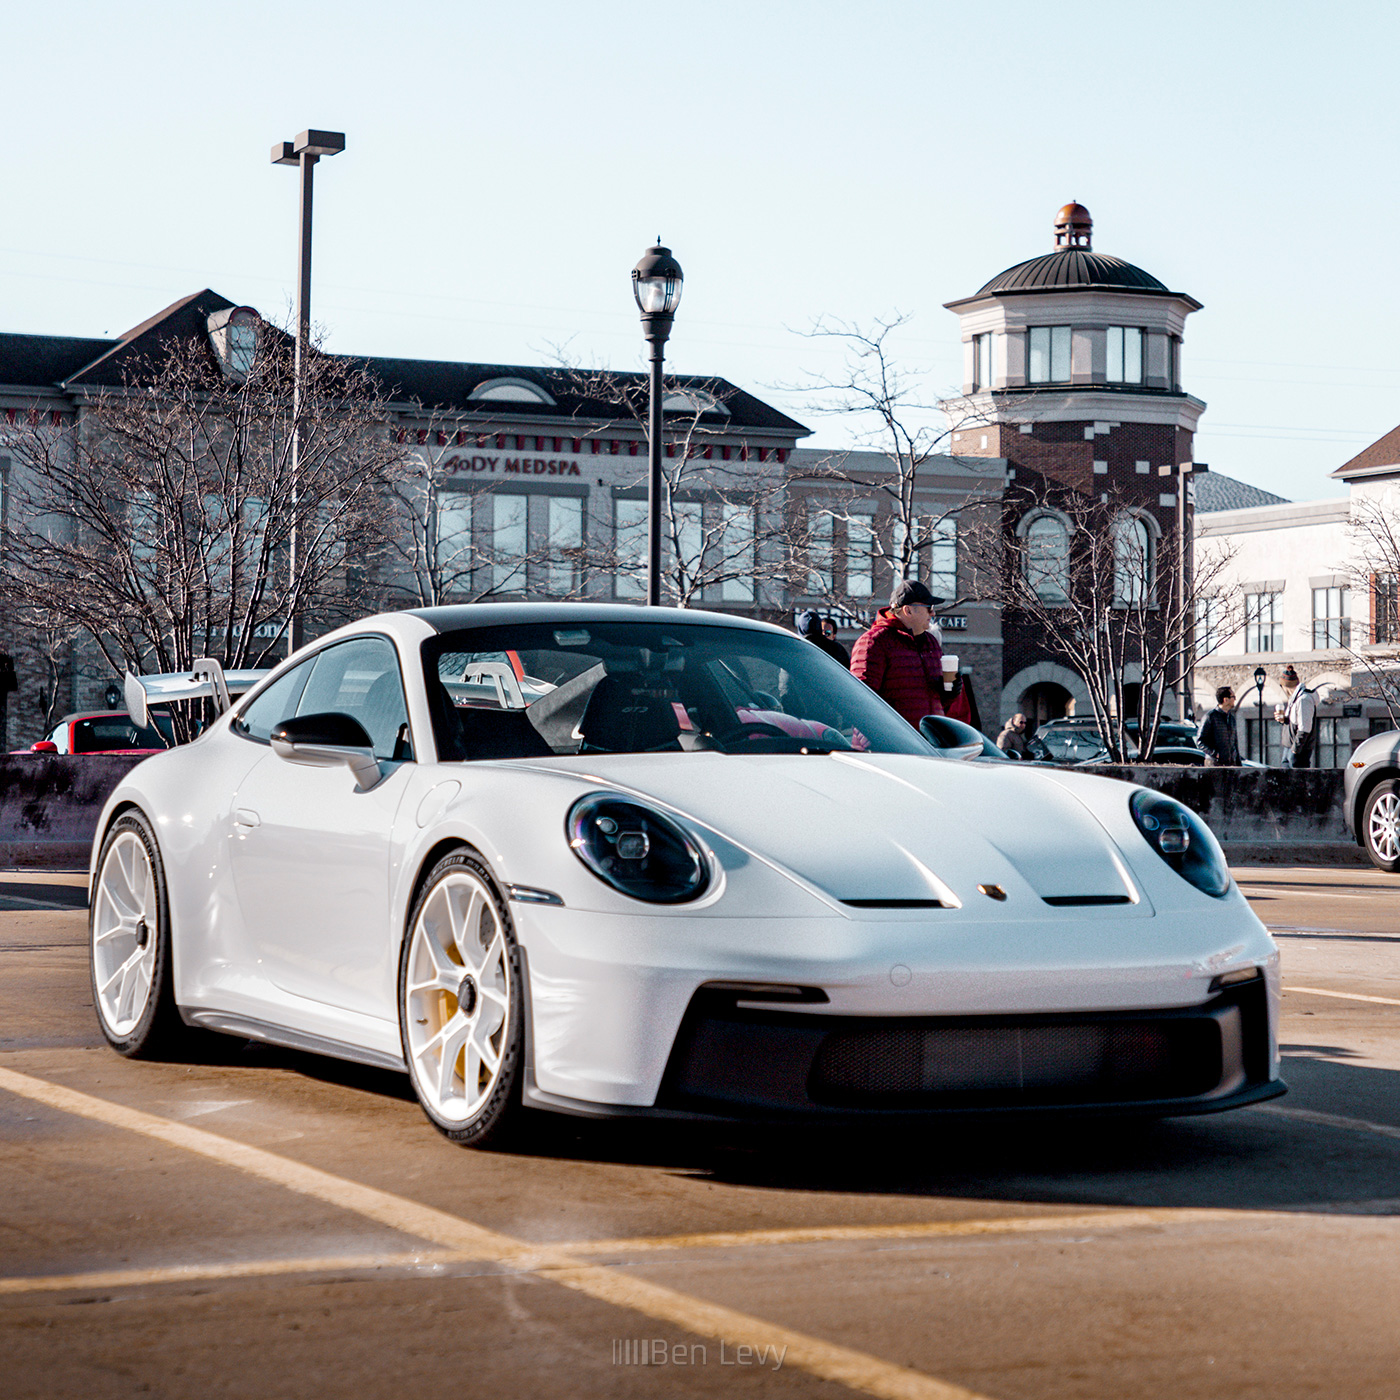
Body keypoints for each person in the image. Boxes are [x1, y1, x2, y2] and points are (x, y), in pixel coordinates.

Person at [849, 579, 945, 728]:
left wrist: (949, 693)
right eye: (928, 607)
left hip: (929, 743)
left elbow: (937, 702)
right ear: (908, 610)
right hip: (888, 746)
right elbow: (860, 702)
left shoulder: (931, 642)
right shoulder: (874, 642)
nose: (933, 613)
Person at [1278, 665, 1316, 768]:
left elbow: (1305, 728)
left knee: (1296, 780)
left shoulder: (1303, 699)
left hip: (1297, 751)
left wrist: (1295, 750)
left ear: (1285, 686)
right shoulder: (1295, 698)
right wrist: (1283, 720)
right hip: (1289, 748)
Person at [1197, 685, 1240, 766]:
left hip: (1231, 763)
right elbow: (1200, 741)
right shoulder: (1210, 717)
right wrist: (1215, 754)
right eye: (1233, 697)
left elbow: (1234, 743)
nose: (1235, 699)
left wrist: (1237, 761)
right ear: (1225, 699)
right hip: (1214, 764)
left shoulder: (1231, 718)